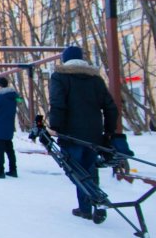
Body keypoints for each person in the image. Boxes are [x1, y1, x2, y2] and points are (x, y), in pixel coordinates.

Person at [48, 45, 119, 223]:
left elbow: (57, 103)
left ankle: (93, 201)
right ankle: (90, 205)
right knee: (90, 168)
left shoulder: (60, 77)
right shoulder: (95, 79)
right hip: (94, 134)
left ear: (65, 59)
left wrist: (55, 126)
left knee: (74, 170)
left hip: (70, 134)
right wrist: (109, 131)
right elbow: (110, 107)